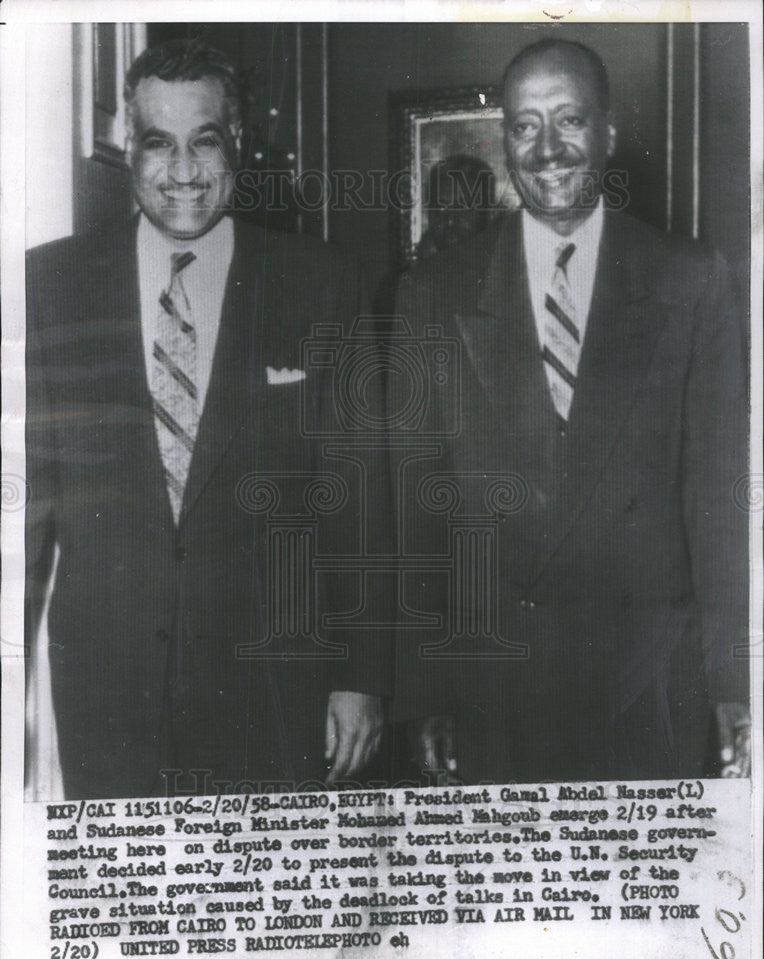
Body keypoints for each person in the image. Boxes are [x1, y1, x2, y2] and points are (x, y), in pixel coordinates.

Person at [25, 38, 390, 800]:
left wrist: (361, 674)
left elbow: (360, 500)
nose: (183, 171)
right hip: (106, 692)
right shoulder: (50, 288)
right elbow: (27, 507)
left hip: (272, 691)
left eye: (206, 141)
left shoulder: (323, 286)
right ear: (129, 145)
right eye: (159, 143)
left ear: (240, 145)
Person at [391, 38, 749, 783]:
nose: (547, 150)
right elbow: (417, 513)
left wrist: (732, 684)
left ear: (608, 132)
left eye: (569, 122)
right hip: (493, 691)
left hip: (650, 689)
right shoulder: (433, 294)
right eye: (525, 126)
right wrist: (424, 691)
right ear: (505, 140)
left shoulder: (691, 282)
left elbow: (716, 503)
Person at [416, 155, 496, 259]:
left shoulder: (507, 269)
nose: (450, 221)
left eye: (462, 208)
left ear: (488, 213)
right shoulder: (420, 271)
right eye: (440, 209)